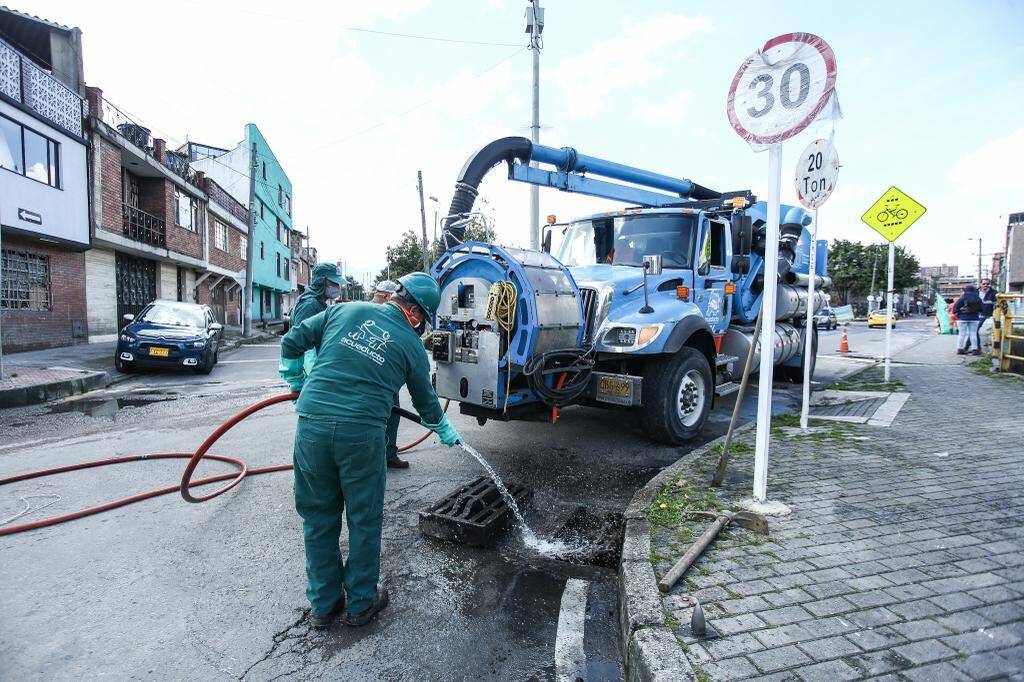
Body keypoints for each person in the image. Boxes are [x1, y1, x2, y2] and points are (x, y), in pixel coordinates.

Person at [278, 272, 462, 628]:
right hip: (361, 434)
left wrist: (298, 383)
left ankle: (324, 604)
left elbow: (292, 341)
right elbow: (426, 403)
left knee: (318, 517)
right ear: (417, 314)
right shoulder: (410, 344)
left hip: (311, 425)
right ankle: (361, 603)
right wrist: (444, 429)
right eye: (423, 320)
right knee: (363, 519)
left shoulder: (343, 311)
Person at [372, 281, 410, 470]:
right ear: (388, 298)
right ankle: (380, 457)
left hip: (383, 379)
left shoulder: (372, 314)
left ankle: (386, 454)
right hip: (379, 380)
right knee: (381, 418)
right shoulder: (377, 315)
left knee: (390, 416)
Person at [289, 263, 342, 375]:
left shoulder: (319, 303)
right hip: (309, 372)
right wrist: (315, 376)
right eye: (333, 282)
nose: (337, 286)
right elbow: (304, 344)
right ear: (321, 281)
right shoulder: (309, 305)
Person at [952, 284, 983, 355]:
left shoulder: (962, 298)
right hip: (974, 318)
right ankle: (975, 349)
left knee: (962, 334)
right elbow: (982, 309)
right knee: (973, 334)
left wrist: (958, 313)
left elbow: (955, 309)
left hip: (962, 318)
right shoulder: (978, 299)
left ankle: (960, 349)